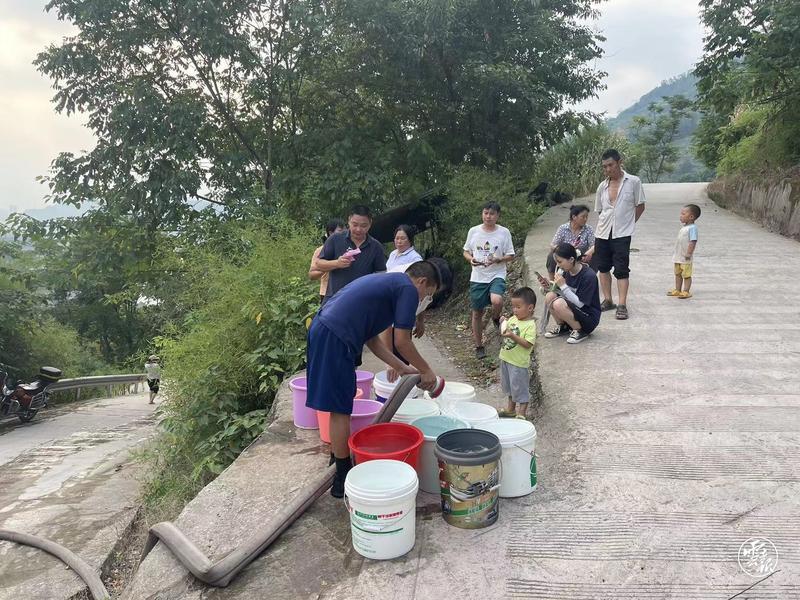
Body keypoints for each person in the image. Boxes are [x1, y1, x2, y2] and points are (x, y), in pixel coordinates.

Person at [306, 261, 441, 497]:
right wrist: (426, 369)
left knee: (340, 402)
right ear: (421, 282)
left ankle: (336, 461)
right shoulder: (407, 289)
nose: (424, 300)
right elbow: (403, 341)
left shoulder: (390, 284)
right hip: (334, 336)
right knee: (340, 409)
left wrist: (401, 367)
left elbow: (372, 339)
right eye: (428, 294)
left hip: (327, 330)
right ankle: (341, 478)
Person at [594, 149, 646, 320]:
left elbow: (640, 206)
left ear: (619, 162)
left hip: (622, 234)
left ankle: (622, 304)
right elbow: (600, 210)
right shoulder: (602, 186)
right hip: (603, 233)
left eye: (611, 165)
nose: (608, 169)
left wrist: (629, 223)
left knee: (622, 269)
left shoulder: (633, 182)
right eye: (604, 166)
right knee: (603, 267)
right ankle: (608, 300)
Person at [462, 201, 515, 359]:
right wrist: (471, 259)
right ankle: (479, 346)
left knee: (497, 300)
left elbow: (511, 255)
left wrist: (499, 259)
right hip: (478, 276)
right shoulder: (474, 231)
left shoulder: (504, 232)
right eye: (486, 213)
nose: (488, 216)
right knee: (477, 313)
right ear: (482, 214)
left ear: (498, 216)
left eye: (492, 214)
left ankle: (496, 317)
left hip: (497, 273)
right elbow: (466, 251)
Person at [313, 205, 386, 303]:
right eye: (355, 225)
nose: (358, 229)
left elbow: (381, 274)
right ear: (349, 221)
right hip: (335, 300)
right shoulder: (335, 239)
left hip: (362, 301)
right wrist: (336, 263)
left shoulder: (376, 247)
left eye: (363, 226)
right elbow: (318, 264)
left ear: (370, 224)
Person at [541, 243, 601, 344]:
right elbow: (560, 293)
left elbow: (580, 304)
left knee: (558, 303)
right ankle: (563, 326)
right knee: (550, 296)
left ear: (571, 259)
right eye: (557, 262)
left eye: (560, 262)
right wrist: (548, 285)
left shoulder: (588, 276)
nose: (558, 265)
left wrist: (563, 286)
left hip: (588, 318)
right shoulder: (565, 271)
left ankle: (580, 331)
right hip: (574, 312)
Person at [498, 287, 537, 419]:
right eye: (513, 307)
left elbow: (528, 344)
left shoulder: (530, 325)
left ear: (530, 308)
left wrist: (513, 336)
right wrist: (502, 323)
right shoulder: (513, 319)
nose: (514, 310)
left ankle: (522, 413)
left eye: (518, 307)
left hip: (518, 363)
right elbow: (504, 332)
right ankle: (511, 409)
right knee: (510, 387)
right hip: (506, 358)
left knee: (520, 388)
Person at [546, 205, 595, 279]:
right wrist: (561, 250)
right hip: (565, 254)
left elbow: (594, 245)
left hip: (581, 254)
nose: (585, 219)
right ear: (574, 217)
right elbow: (552, 244)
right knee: (551, 256)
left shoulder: (588, 229)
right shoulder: (563, 228)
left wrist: (588, 253)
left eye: (586, 217)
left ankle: (590, 277)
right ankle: (552, 281)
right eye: (583, 217)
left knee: (596, 255)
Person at [667, 204, 701, 299]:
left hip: (685, 257)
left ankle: (686, 291)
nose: (680, 216)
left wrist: (689, 253)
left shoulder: (692, 228)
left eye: (683, 214)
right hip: (678, 256)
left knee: (686, 275)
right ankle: (678, 289)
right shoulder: (684, 227)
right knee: (677, 274)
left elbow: (693, 241)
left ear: (691, 217)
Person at [309, 218, 346, 302]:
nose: (343, 234)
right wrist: (329, 266)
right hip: (327, 293)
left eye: (345, 231)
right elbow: (312, 275)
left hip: (345, 292)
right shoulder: (321, 250)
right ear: (331, 233)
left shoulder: (348, 249)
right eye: (340, 231)